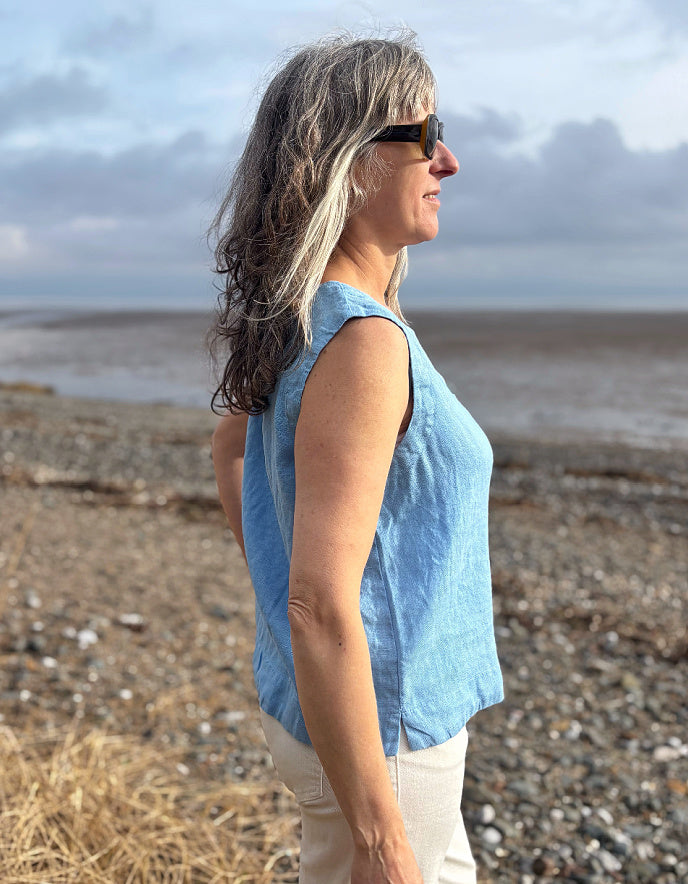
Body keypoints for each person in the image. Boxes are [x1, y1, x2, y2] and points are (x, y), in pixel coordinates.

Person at [208, 32, 503, 884]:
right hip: (382, 736)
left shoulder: (307, 316)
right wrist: (381, 841)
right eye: (423, 134)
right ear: (348, 160)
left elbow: (232, 449)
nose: (447, 160)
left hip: (345, 716)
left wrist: (284, 592)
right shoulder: (365, 343)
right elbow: (318, 600)